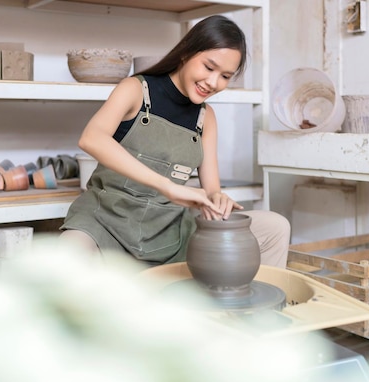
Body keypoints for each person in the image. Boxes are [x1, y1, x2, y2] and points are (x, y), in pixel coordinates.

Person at [60, 15, 290, 267]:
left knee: (275, 227)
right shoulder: (135, 89)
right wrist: (167, 186)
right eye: (209, 67)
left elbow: (212, 189)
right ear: (186, 53)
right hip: (104, 225)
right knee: (68, 255)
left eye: (225, 76)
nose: (213, 82)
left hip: (169, 235)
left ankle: (254, 305)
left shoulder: (206, 118)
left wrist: (218, 199)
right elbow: (92, 138)